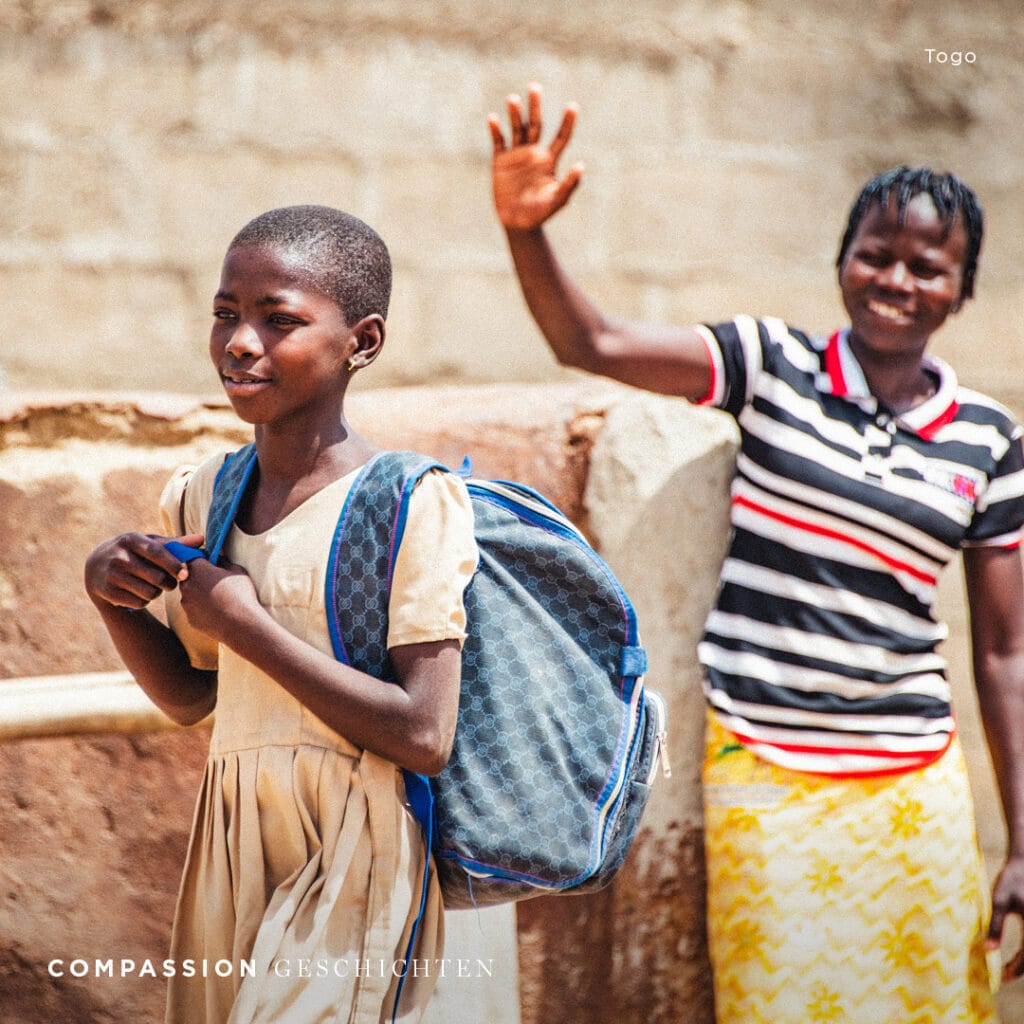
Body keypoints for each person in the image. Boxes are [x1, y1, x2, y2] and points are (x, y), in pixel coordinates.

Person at [488, 83, 1024, 1022]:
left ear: (963, 290)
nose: (897, 281)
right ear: (842, 264)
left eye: (927, 267)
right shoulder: (770, 366)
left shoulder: (989, 440)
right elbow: (593, 341)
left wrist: (1021, 842)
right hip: (766, 777)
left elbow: (1005, 654)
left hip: (912, 789)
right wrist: (526, 229)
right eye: (876, 255)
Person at [84, 206, 479, 1024]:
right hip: (233, 843)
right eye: (227, 314)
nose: (240, 341)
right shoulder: (204, 492)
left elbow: (424, 735)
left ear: (360, 343)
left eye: (280, 320)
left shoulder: (409, 501)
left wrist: (247, 627)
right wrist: (116, 603)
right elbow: (198, 698)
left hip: (354, 848)